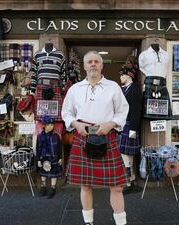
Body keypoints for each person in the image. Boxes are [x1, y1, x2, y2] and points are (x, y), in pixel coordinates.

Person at [62, 51, 129, 225]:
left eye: (96, 61)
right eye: (89, 62)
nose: (93, 64)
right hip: (83, 137)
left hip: (107, 137)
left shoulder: (113, 86)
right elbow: (66, 113)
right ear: (84, 66)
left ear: (101, 65)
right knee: (85, 185)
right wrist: (76, 124)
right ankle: (88, 223)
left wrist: (112, 124)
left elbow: (123, 110)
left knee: (116, 186)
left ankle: (121, 223)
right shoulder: (75, 89)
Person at [118, 56, 143, 194]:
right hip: (123, 126)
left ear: (129, 75)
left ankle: (130, 182)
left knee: (127, 154)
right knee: (125, 154)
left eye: (122, 74)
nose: (120, 77)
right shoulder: (123, 89)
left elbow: (136, 111)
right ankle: (130, 180)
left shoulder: (134, 90)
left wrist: (133, 130)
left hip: (130, 126)